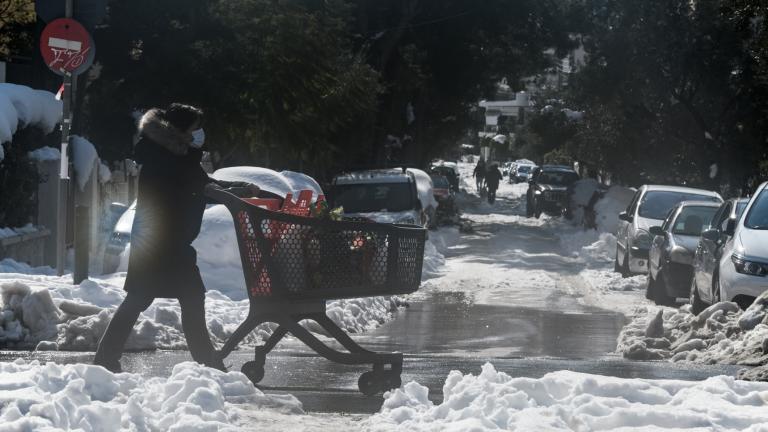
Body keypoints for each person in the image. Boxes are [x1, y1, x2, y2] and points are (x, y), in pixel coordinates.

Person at [94, 103, 258, 373]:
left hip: (163, 244)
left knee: (159, 299)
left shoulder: (172, 155)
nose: (200, 133)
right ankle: (208, 364)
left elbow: (202, 183)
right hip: (161, 245)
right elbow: (203, 187)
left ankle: (106, 360)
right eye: (195, 128)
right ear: (181, 131)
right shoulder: (169, 159)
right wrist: (238, 192)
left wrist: (239, 189)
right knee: (170, 298)